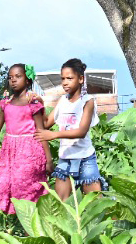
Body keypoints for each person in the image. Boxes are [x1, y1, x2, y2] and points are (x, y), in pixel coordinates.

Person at [0, 62, 51, 214]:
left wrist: (48, 160)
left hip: (30, 152)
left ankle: (32, 232)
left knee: (27, 189)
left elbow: (41, 131)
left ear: (27, 80)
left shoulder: (33, 105)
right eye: (10, 77)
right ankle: (26, 230)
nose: (13, 80)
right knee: (13, 188)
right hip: (10, 153)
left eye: (18, 76)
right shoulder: (6, 104)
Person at [37, 57, 102, 197]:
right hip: (65, 158)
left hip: (85, 159)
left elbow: (82, 131)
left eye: (69, 78)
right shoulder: (62, 101)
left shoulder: (88, 101)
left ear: (80, 79)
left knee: (96, 205)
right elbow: (47, 123)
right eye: (63, 79)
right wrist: (39, 104)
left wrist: (53, 135)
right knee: (62, 204)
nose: (65, 82)